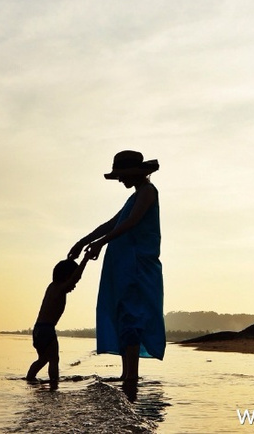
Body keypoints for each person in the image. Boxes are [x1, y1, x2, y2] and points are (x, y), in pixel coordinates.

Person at [68, 150, 164, 401]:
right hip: (122, 264)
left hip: (136, 265)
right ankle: (127, 375)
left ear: (134, 173)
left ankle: (131, 376)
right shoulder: (135, 195)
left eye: (122, 175)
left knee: (132, 317)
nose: (120, 180)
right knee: (123, 316)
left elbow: (130, 223)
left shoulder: (148, 192)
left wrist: (101, 243)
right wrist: (83, 241)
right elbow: (112, 223)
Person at [25, 255, 91, 388]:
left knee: (43, 359)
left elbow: (65, 269)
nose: (74, 285)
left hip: (38, 329)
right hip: (47, 329)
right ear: (66, 277)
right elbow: (76, 276)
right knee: (54, 359)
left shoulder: (52, 286)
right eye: (73, 282)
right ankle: (53, 384)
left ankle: (30, 378)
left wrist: (70, 259)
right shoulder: (60, 289)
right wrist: (85, 259)